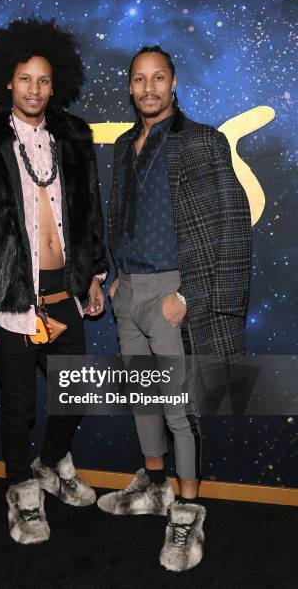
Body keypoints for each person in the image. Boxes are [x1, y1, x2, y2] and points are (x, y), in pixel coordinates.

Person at [0, 18, 108, 545]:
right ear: (7, 83)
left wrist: (96, 275)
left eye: (42, 80)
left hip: (65, 293)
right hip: (10, 297)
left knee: (74, 395)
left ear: (54, 85)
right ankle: (23, 494)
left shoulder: (75, 137)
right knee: (18, 407)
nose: (34, 89)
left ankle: (53, 464)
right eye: (24, 79)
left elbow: (88, 214)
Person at [98, 46, 252, 571]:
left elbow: (231, 225)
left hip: (171, 296)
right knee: (144, 400)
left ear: (173, 81)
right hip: (129, 293)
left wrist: (188, 296)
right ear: (131, 86)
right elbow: (121, 215)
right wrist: (114, 276)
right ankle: (156, 487)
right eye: (139, 80)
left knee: (178, 411)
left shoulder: (204, 141)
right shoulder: (124, 145)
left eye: (157, 78)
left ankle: (187, 510)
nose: (148, 89)